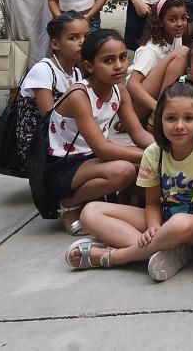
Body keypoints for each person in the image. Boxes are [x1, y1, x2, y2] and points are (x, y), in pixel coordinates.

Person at [66, 78, 193, 279]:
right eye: (171, 118)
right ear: (160, 120)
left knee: (178, 224)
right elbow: (152, 204)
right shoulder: (153, 154)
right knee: (90, 212)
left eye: (189, 118)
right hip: (166, 220)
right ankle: (159, 251)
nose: (179, 126)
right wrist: (153, 227)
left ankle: (115, 256)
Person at [45, 29, 154, 233]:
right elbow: (102, 148)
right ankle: (69, 203)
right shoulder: (79, 94)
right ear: (89, 66)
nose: (119, 66)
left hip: (91, 159)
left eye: (123, 57)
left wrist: (167, 150)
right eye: (109, 60)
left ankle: (123, 198)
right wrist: (152, 155)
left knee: (147, 166)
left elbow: (138, 134)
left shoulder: (119, 90)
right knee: (125, 169)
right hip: (63, 165)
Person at [128, 0, 191, 124]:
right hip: (135, 106)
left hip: (150, 103)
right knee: (182, 53)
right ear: (161, 22)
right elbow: (132, 85)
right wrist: (158, 107)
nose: (179, 24)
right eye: (173, 19)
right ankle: (156, 118)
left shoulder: (176, 37)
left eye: (183, 18)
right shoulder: (151, 50)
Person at [21, 11, 88, 114]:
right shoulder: (43, 70)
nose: (82, 42)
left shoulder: (77, 73)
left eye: (87, 36)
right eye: (73, 38)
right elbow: (48, 116)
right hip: (42, 129)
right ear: (55, 44)